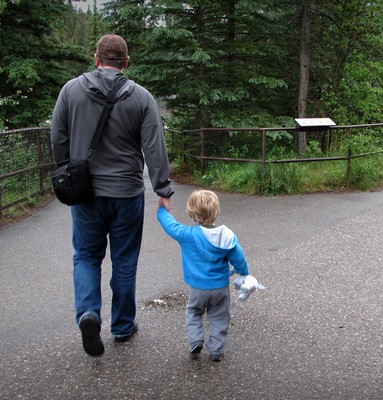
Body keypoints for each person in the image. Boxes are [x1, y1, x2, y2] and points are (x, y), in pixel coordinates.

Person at [51, 34, 174, 357]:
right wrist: (162, 189)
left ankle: (89, 313)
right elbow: (154, 147)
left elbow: (58, 137)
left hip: (86, 193)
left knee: (87, 256)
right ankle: (122, 326)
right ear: (126, 63)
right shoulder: (142, 98)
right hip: (127, 193)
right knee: (124, 261)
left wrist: (65, 171)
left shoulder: (70, 91)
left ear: (96, 59)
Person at [157, 190, 250, 362]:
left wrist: (162, 210)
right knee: (220, 317)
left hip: (198, 288)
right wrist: (244, 273)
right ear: (216, 211)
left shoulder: (187, 235)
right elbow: (239, 258)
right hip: (220, 287)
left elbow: (170, 225)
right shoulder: (226, 236)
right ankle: (216, 350)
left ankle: (196, 340)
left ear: (192, 214)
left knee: (194, 312)